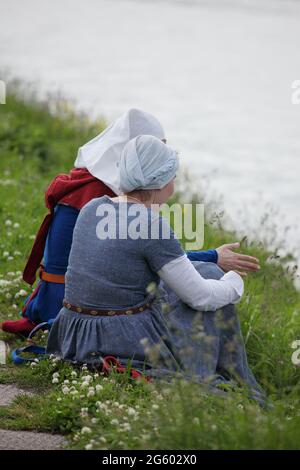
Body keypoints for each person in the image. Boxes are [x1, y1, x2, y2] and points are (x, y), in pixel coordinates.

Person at [0, 110, 259, 337]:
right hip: (69, 306)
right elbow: (145, 258)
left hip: (66, 303)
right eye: (157, 148)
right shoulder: (100, 194)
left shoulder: (92, 187)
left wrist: (210, 256)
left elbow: (138, 254)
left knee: (198, 274)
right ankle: (206, 368)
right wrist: (213, 258)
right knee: (204, 279)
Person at [46, 135, 264, 402]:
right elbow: (200, 297)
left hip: (74, 334)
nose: (173, 186)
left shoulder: (93, 208)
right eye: (173, 177)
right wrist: (233, 284)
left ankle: (223, 373)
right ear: (161, 182)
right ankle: (217, 374)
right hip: (116, 339)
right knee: (213, 281)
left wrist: (212, 258)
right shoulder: (151, 224)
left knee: (203, 271)